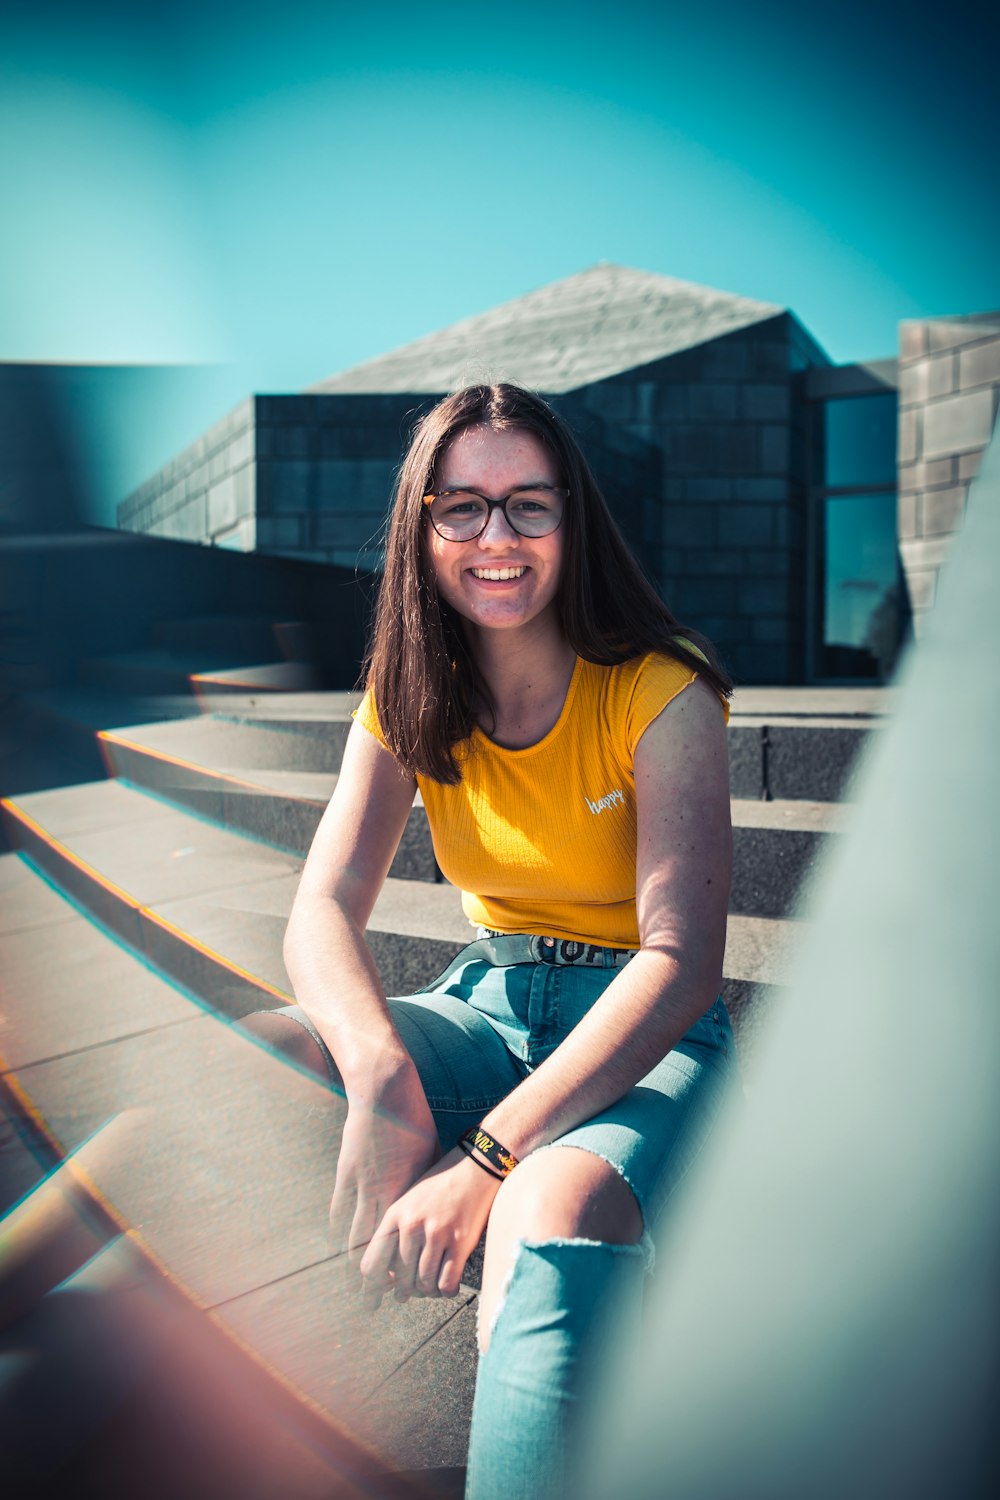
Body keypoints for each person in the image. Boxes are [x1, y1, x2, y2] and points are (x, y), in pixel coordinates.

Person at [243, 383, 739, 1498]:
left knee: (542, 1210)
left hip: (644, 1034)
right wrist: (378, 1076)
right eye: (461, 508)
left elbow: (679, 960)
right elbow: (321, 905)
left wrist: (487, 1159)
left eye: (528, 506)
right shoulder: (408, 689)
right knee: (254, 1058)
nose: (496, 539)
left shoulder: (663, 689)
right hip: (486, 1007)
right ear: (421, 527)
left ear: (573, 520)